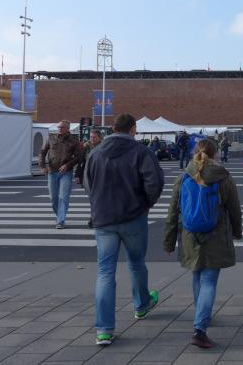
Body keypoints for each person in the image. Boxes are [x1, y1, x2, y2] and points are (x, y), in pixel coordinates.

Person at [84, 114, 165, 346]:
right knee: (136, 263)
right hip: (134, 217)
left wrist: (98, 204)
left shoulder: (95, 153)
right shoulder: (141, 152)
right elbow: (154, 182)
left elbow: (88, 184)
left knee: (105, 272)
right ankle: (141, 305)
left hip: (104, 219)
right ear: (133, 129)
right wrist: (146, 203)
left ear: (112, 128)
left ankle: (104, 330)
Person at [163, 138, 242, 349]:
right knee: (209, 281)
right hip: (215, 235)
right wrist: (237, 232)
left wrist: (169, 241)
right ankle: (200, 328)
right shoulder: (223, 177)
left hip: (190, 235)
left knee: (197, 275)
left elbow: (173, 212)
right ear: (215, 154)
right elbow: (234, 208)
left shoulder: (184, 176)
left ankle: (202, 313)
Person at [39, 120, 82, 229]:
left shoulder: (74, 140)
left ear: (68, 129)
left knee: (63, 197)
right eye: (58, 127)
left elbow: (78, 157)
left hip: (66, 172)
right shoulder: (51, 138)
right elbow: (42, 152)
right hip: (52, 171)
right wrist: (42, 166)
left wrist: (67, 165)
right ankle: (60, 215)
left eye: (62, 127)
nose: (59, 129)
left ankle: (60, 221)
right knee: (53, 198)